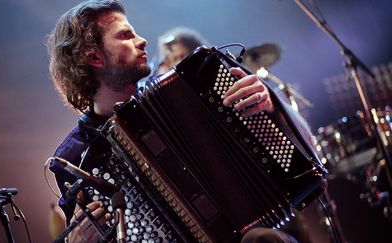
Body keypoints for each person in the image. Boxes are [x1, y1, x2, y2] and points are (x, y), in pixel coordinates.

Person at [47, 0, 299, 242]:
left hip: (247, 234)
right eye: (125, 35)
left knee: (263, 239)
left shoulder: (185, 92)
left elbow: (283, 157)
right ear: (94, 58)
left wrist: (271, 108)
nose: (142, 40)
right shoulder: (74, 156)